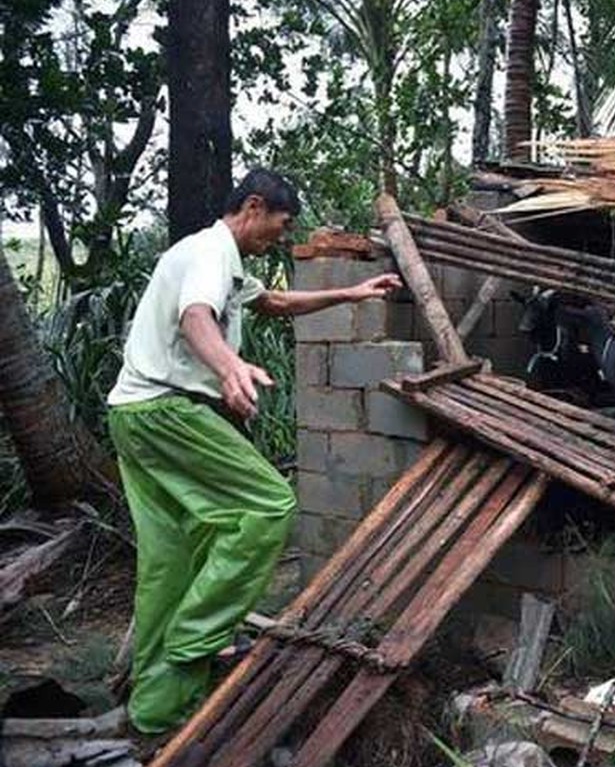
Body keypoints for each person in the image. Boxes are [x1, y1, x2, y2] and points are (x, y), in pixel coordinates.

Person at [106, 169, 401, 734]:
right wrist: (230, 367)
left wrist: (351, 292)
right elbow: (196, 317)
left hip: (131, 415)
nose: (281, 237)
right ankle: (196, 642)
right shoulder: (209, 255)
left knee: (169, 563)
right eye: (281, 225)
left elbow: (274, 302)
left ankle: (155, 712)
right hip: (167, 411)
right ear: (254, 206)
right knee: (268, 504)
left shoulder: (221, 261)